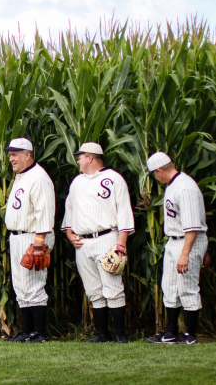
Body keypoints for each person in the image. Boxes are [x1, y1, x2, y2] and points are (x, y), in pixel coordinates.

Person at [61, 142, 135, 343]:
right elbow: (70, 210)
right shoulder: (77, 182)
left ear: (90, 158)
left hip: (107, 238)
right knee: (93, 290)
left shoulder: (113, 179)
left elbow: (124, 212)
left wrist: (120, 245)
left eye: (80, 156)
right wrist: (69, 233)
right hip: (83, 242)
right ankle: (102, 334)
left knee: (112, 287)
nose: (77, 159)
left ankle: (121, 335)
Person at [145, 152, 208, 345]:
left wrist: (185, 254)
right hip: (174, 240)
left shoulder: (185, 187)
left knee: (188, 288)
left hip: (188, 240)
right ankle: (170, 333)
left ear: (159, 170)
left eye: (154, 174)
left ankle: (190, 335)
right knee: (170, 287)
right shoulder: (173, 185)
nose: (154, 178)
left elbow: (193, 226)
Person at [2, 138, 56, 344]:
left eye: (14, 154)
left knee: (34, 285)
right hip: (17, 236)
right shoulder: (21, 176)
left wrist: (39, 242)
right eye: (10, 154)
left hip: (34, 235)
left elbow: (45, 210)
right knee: (21, 286)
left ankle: (41, 332)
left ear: (27, 154)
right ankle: (27, 331)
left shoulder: (39, 177)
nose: (11, 158)